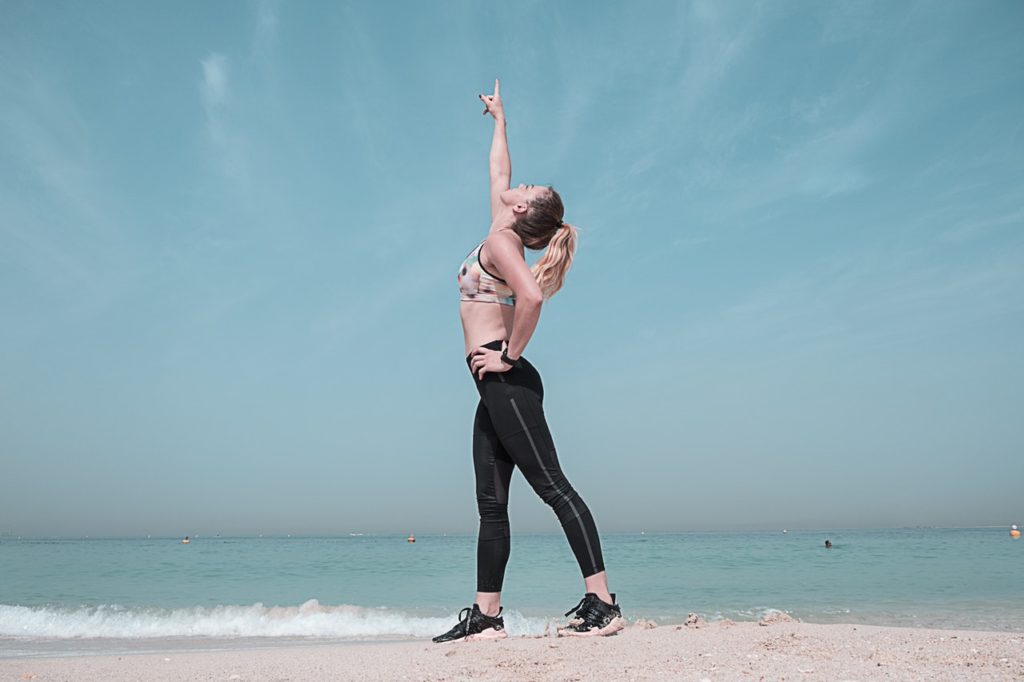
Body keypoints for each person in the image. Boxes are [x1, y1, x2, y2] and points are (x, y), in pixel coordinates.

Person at [432, 80, 624, 643]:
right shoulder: (501, 226)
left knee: (553, 487)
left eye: (528, 186)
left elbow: (533, 299)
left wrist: (508, 357)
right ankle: (487, 618)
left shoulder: (502, 245)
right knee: (491, 503)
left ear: (524, 207)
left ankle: (603, 604)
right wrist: (500, 122)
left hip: (506, 378)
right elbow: (498, 172)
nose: (520, 181)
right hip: (494, 384)